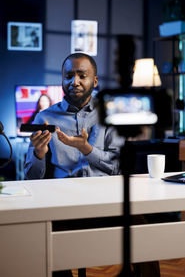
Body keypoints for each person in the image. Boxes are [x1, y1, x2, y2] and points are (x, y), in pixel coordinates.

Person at [24, 52, 160, 277]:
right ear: (62, 79)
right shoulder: (44, 117)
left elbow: (117, 168)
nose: (74, 81)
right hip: (62, 207)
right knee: (44, 242)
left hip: (106, 204)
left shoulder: (109, 113)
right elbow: (31, 178)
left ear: (94, 81)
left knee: (142, 232)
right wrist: (39, 153)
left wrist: (86, 148)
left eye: (81, 75)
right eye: (68, 75)